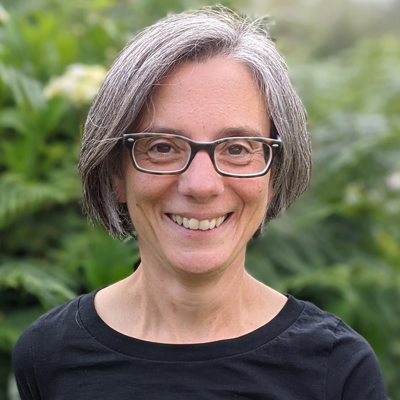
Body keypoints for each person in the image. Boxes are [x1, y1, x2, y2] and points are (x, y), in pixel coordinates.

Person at [13, 6, 386, 399]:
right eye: (162, 147)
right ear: (115, 174)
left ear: (273, 176)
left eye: (237, 148)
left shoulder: (338, 368)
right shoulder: (48, 355)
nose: (202, 185)